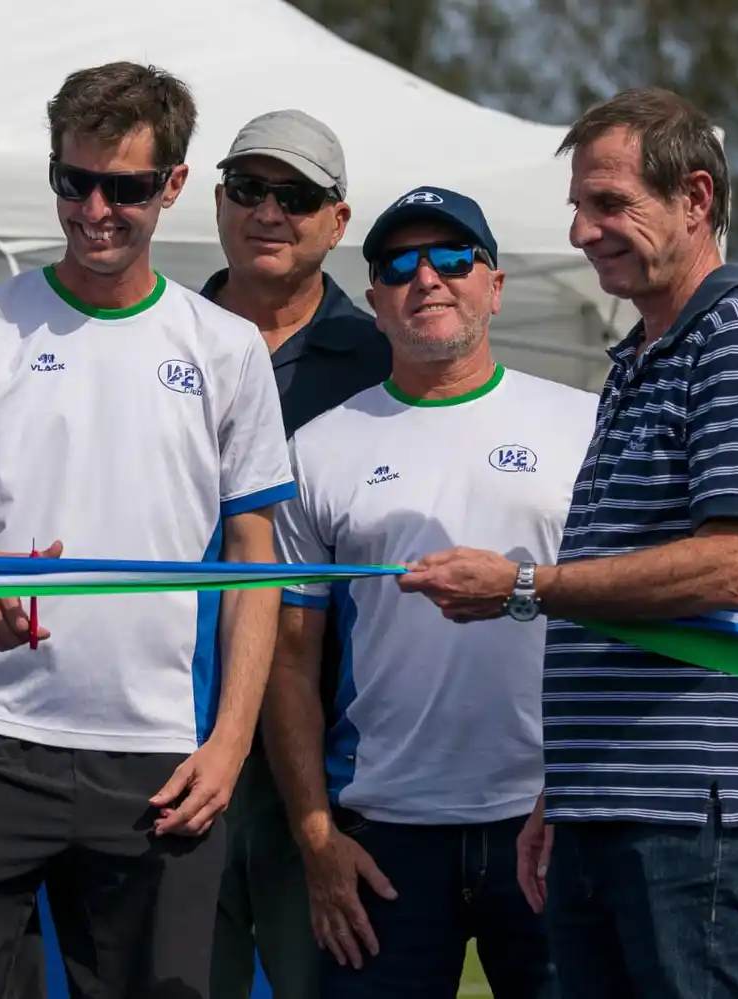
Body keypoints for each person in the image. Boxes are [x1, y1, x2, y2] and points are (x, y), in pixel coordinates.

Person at [398, 87, 738, 999]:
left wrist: (526, 585)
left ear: (695, 198)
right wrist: (566, 788)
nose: (581, 230)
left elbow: (733, 565)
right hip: (612, 799)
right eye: (577, 206)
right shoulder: (642, 359)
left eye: (609, 204)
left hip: (690, 805)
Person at [0, 61, 296, 999]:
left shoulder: (225, 347)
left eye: (127, 187)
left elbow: (254, 565)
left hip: (161, 759)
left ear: (174, 188)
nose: (95, 208)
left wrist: (230, 743)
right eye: (76, 181)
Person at [266, 185, 593, 999]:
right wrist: (316, 839)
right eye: (400, 264)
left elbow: (622, 624)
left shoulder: (585, 424)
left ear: (494, 283)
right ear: (374, 298)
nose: (428, 278)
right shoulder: (319, 446)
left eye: (453, 258)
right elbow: (288, 661)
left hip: (549, 821)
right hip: (386, 840)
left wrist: (581, 790)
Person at [199, 110, 390, 999]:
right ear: (216, 202)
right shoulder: (156, 339)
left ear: (338, 221)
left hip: (329, 762)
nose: (269, 211)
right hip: (167, 732)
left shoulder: (389, 361)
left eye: (298, 195)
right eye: (249, 188)